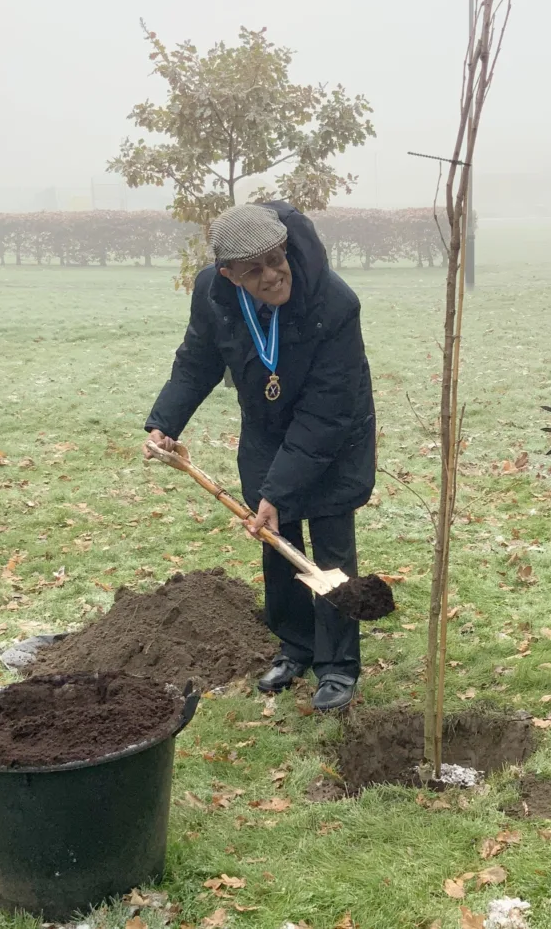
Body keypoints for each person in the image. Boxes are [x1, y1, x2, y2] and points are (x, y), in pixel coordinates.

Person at [143, 202, 376, 711]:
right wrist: (165, 422)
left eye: (277, 259)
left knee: (330, 547)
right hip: (267, 430)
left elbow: (325, 414)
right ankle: (295, 645)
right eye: (255, 270)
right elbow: (196, 360)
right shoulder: (213, 295)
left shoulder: (334, 303)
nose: (273, 275)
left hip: (334, 432)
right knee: (276, 540)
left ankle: (337, 665)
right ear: (229, 274)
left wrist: (281, 487)